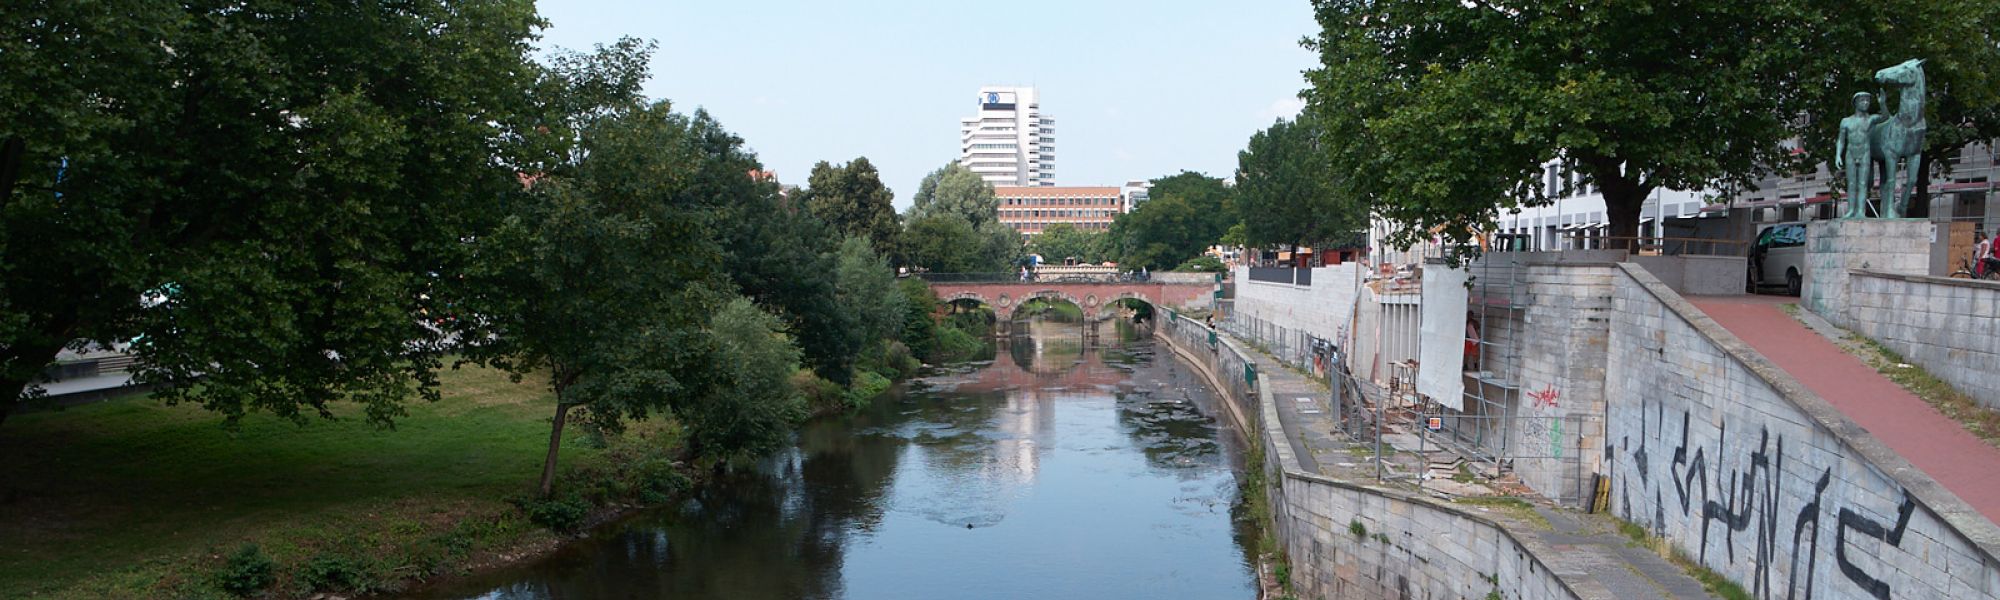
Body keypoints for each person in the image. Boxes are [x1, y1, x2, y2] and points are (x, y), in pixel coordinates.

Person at [1835, 91, 1885, 219]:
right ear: (1856, 103)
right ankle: (1851, 210)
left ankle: (1861, 211)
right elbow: (1841, 139)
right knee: (1851, 183)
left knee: (1863, 183)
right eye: (1863, 100)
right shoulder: (1845, 121)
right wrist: (1838, 155)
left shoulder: (1871, 119)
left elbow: (1885, 117)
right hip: (1851, 153)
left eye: (1867, 101)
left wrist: (1882, 104)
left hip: (1865, 153)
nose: (1866, 103)